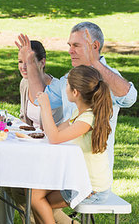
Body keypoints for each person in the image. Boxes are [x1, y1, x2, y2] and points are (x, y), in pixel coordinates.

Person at [0, 41, 70, 224]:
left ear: (42, 62)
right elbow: (25, 120)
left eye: (29, 61)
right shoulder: (25, 83)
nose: (23, 67)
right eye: (20, 62)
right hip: (29, 144)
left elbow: (51, 131)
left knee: (3, 167)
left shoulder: (55, 90)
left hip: (47, 150)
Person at [16, 22, 137, 175]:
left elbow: (130, 97)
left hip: (91, 174)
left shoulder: (108, 77)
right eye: (69, 45)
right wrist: (31, 61)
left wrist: (95, 62)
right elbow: (40, 96)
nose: (70, 51)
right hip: (67, 165)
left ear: (94, 46)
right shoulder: (70, 78)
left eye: (76, 45)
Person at [31, 65, 113, 223]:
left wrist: (46, 106)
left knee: (38, 200)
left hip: (91, 188)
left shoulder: (87, 119)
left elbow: (54, 138)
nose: (65, 88)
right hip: (78, 178)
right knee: (35, 195)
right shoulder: (79, 114)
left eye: (67, 85)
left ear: (75, 92)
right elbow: (54, 132)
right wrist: (44, 109)